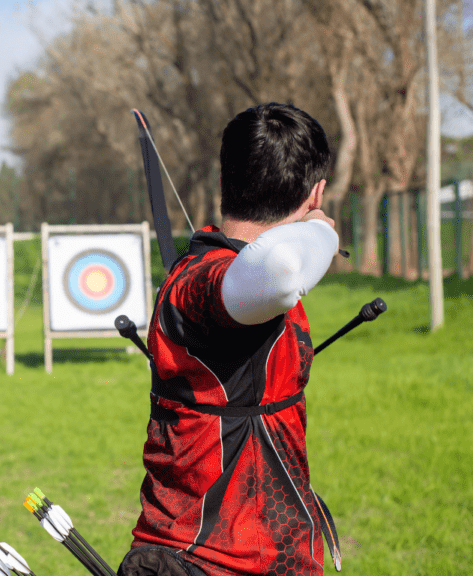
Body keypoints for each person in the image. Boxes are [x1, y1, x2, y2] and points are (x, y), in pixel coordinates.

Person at [119, 103, 340, 576]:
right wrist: (321, 225)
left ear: (226, 181)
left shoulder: (238, 285)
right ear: (316, 191)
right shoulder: (201, 284)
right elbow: (281, 271)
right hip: (203, 561)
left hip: (277, 553)